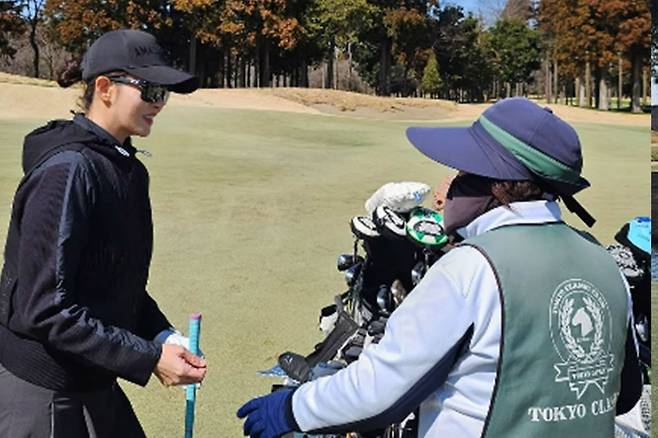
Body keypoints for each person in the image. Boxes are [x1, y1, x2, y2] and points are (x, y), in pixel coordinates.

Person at [237, 98, 643, 437]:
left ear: (498, 183)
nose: (451, 183)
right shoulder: (602, 262)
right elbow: (624, 393)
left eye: (465, 171)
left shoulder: (471, 267)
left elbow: (381, 393)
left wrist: (292, 408)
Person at [0, 29, 207, 437]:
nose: (158, 103)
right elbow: (45, 309)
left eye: (164, 94)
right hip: (45, 394)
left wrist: (162, 334)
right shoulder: (67, 171)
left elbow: (115, 280)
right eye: (150, 90)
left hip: (94, 380)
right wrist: (149, 358)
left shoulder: (125, 168)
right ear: (105, 88)